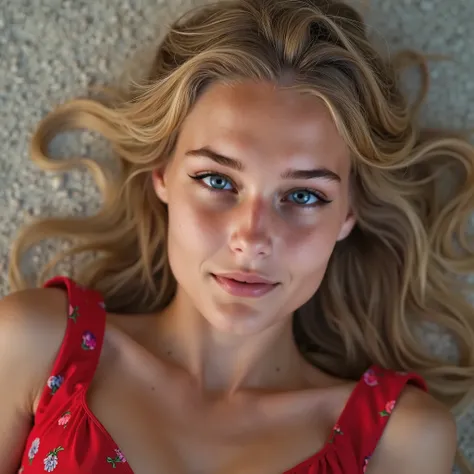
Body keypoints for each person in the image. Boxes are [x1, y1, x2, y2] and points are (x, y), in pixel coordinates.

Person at [1, 0, 473, 472]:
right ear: (161, 174)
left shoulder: (399, 441)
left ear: (349, 213)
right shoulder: (35, 346)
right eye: (217, 181)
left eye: (305, 196)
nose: (251, 238)